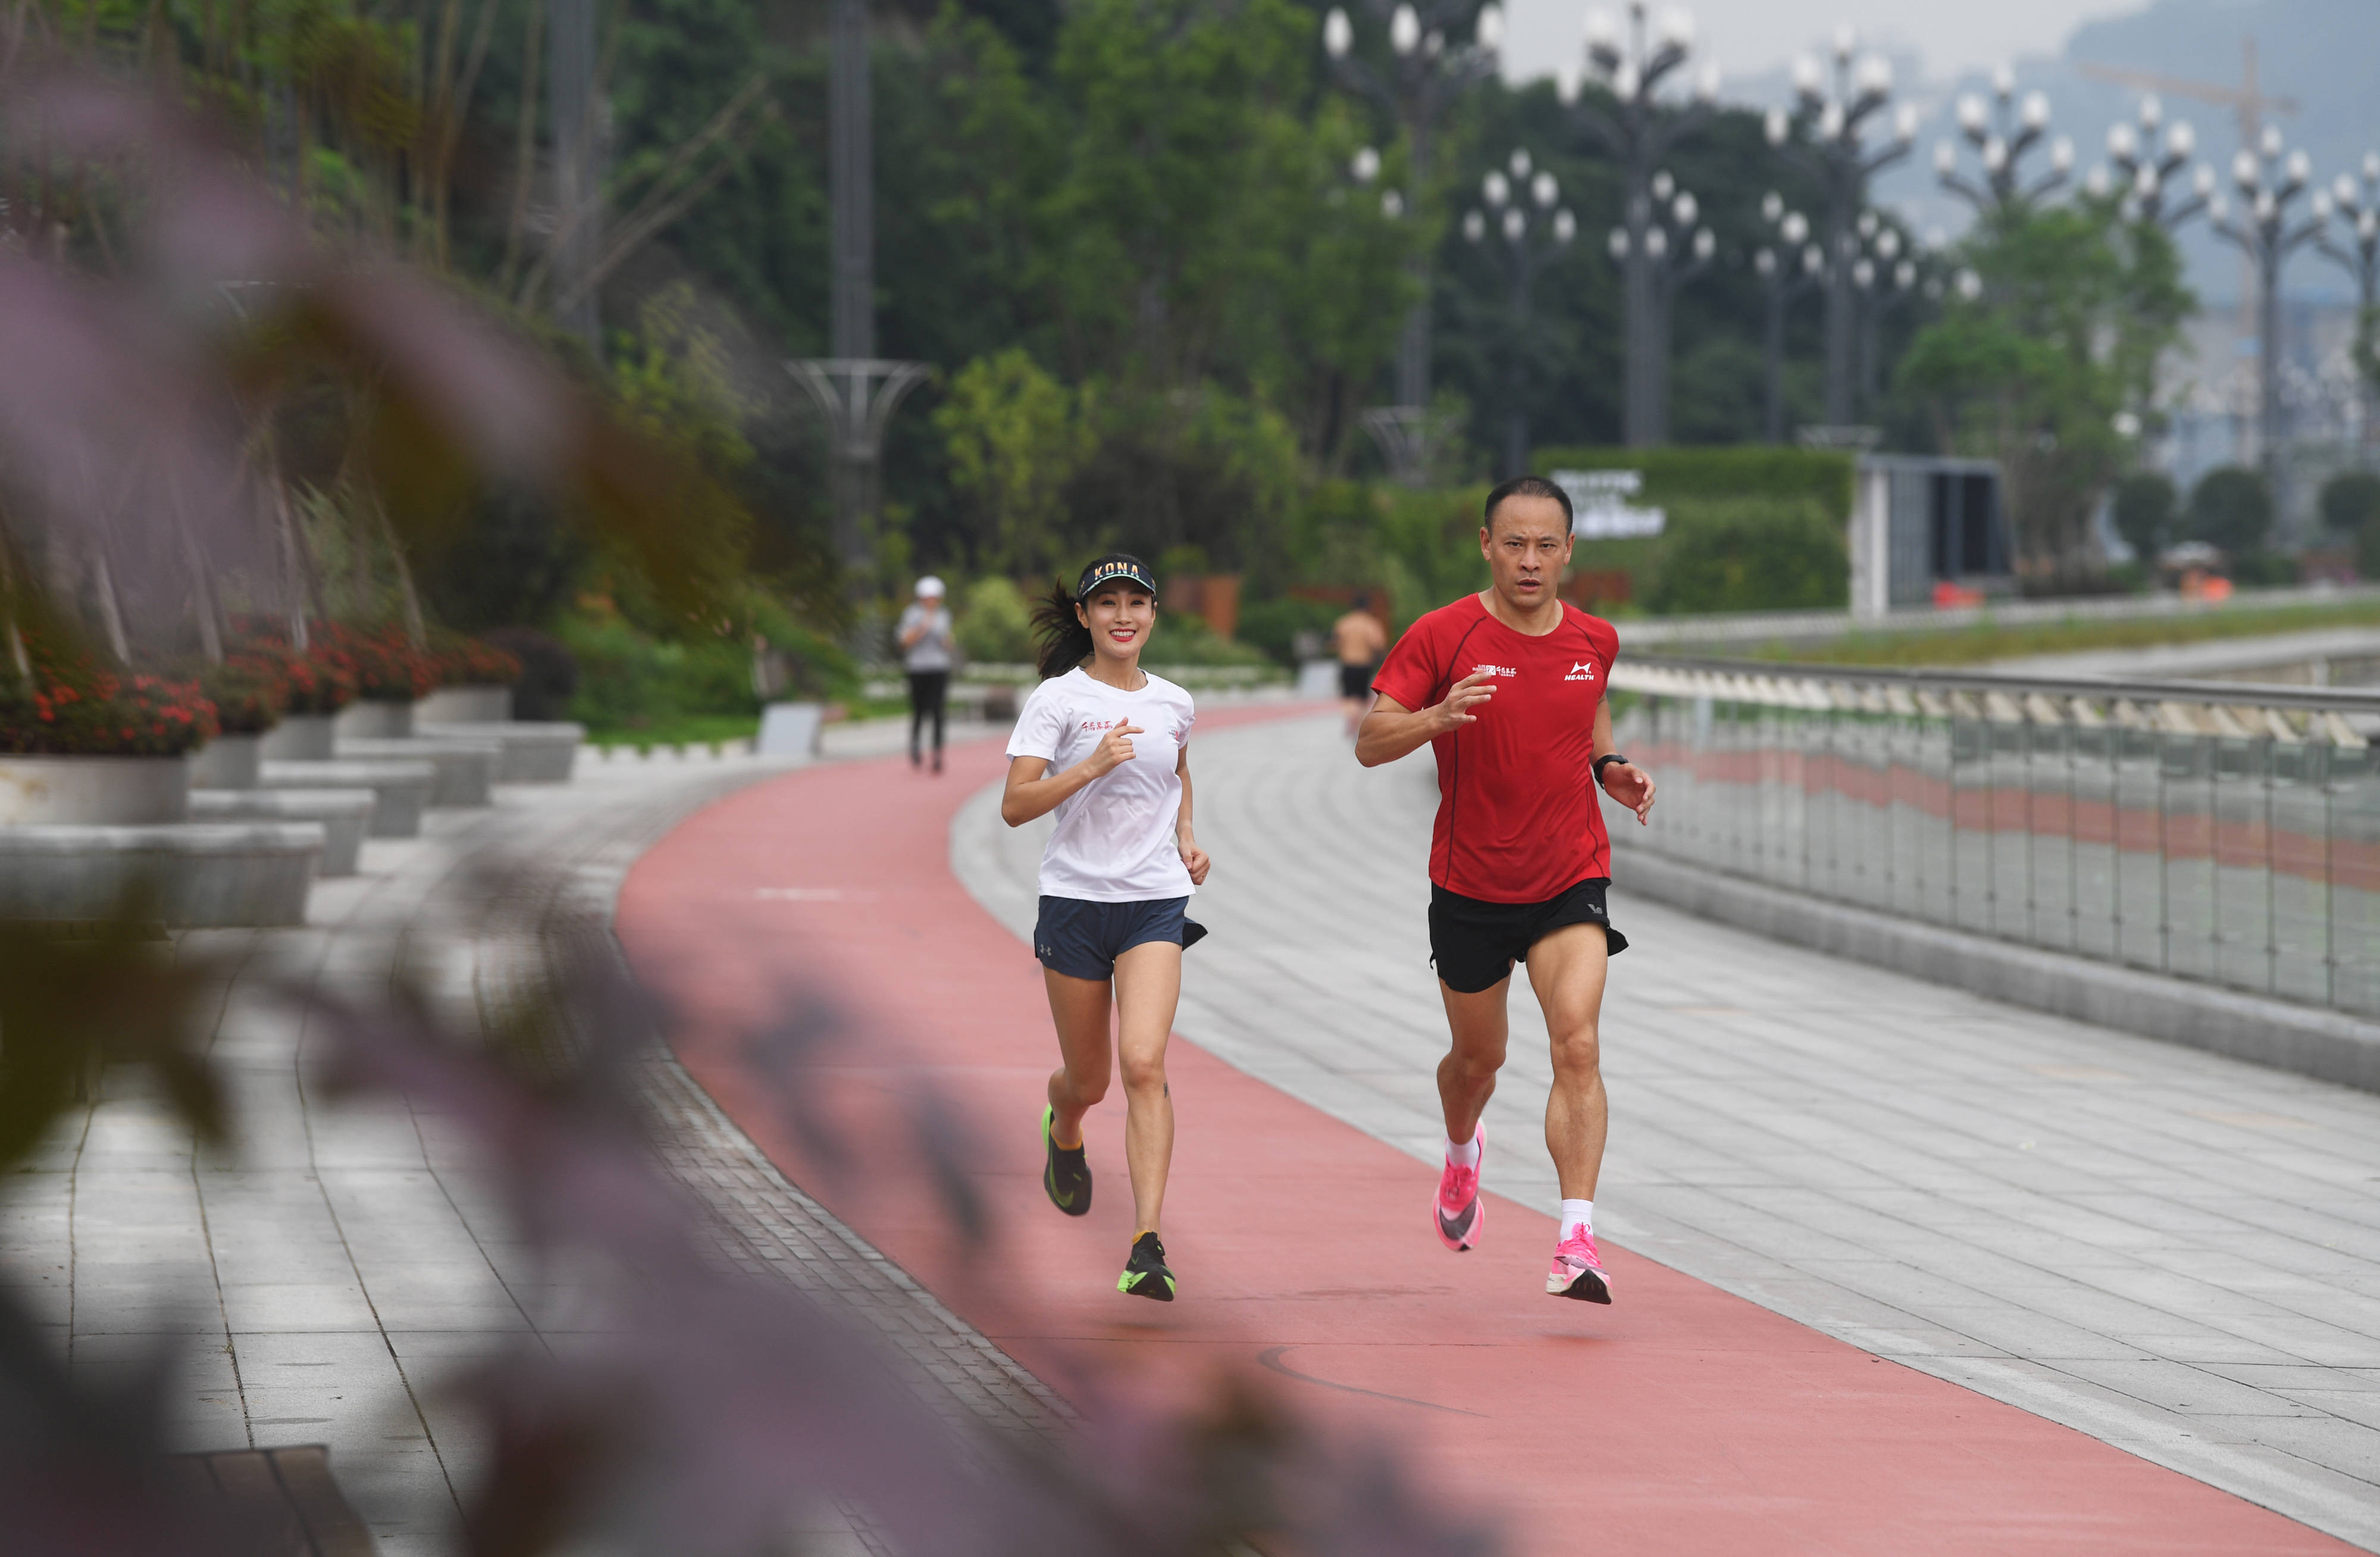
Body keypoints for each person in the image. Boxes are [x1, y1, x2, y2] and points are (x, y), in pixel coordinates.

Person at [1354, 476, 1656, 1305]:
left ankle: (1577, 1238)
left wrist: (1609, 769)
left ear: (1569, 552)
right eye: (1514, 544)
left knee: (1579, 1043)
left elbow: (1585, 715)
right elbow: (1370, 742)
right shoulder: (1442, 635)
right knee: (1478, 1060)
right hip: (1472, 885)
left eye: (1546, 545)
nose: (1530, 560)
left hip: (1570, 873)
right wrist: (1434, 719)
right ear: (1487, 545)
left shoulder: (1597, 638)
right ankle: (1460, 1152)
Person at [1000, 554, 1211, 1302]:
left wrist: (1185, 836)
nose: (1124, 615)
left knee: (1144, 1063)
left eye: (1137, 603)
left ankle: (1146, 1242)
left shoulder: (1174, 701)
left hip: (1154, 902)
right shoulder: (1057, 701)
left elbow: (1177, 770)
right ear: (1086, 618)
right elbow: (1016, 806)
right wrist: (1088, 767)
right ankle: (1063, 1123)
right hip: (1075, 903)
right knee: (1089, 1078)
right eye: (1108, 604)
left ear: (1153, 615)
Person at [898, 576, 956, 772]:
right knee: (919, 710)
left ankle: (938, 753)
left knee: (938, 712)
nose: (931, 601)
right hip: (917, 669)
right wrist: (923, 626)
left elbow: (949, 643)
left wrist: (944, 638)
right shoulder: (911, 614)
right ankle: (915, 747)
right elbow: (905, 642)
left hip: (939, 669)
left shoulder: (944, 615)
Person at [1328, 592, 1388, 737]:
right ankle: (1358, 723)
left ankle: (1351, 719)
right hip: (1364, 665)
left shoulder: (1344, 622)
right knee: (1362, 697)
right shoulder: (1371, 624)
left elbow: (1335, 643)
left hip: (1347, 664)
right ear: (1367, 607)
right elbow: (1378, 645)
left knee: (1349, 695)